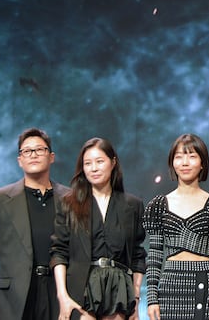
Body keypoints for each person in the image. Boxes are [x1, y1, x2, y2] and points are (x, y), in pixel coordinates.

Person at [0, 127, 69, 320]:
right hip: (15, 299)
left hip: (61, 295)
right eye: (27, 151)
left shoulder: (70, 198)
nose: (33, 155)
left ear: (51, 157)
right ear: (19, 160)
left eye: (40, 150)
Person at [50, 137, 146, 320]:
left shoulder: (132, 205)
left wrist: (135, 298)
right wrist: (62, 296)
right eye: (88, 163)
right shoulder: (69, 204)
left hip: (119, 291)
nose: (93, 168)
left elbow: (137, 255)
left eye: (99, 161)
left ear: (113, 162)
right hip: (80, 290)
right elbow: (59, 252)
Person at [143, 133, 209, 320]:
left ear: (202, 163)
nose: (185, 163)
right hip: (170, 285)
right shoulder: (158, 205)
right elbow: (155, 255)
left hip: (205, 283)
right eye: (179, 156)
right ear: (172, 162)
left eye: (192, 156)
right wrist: (151, 298)